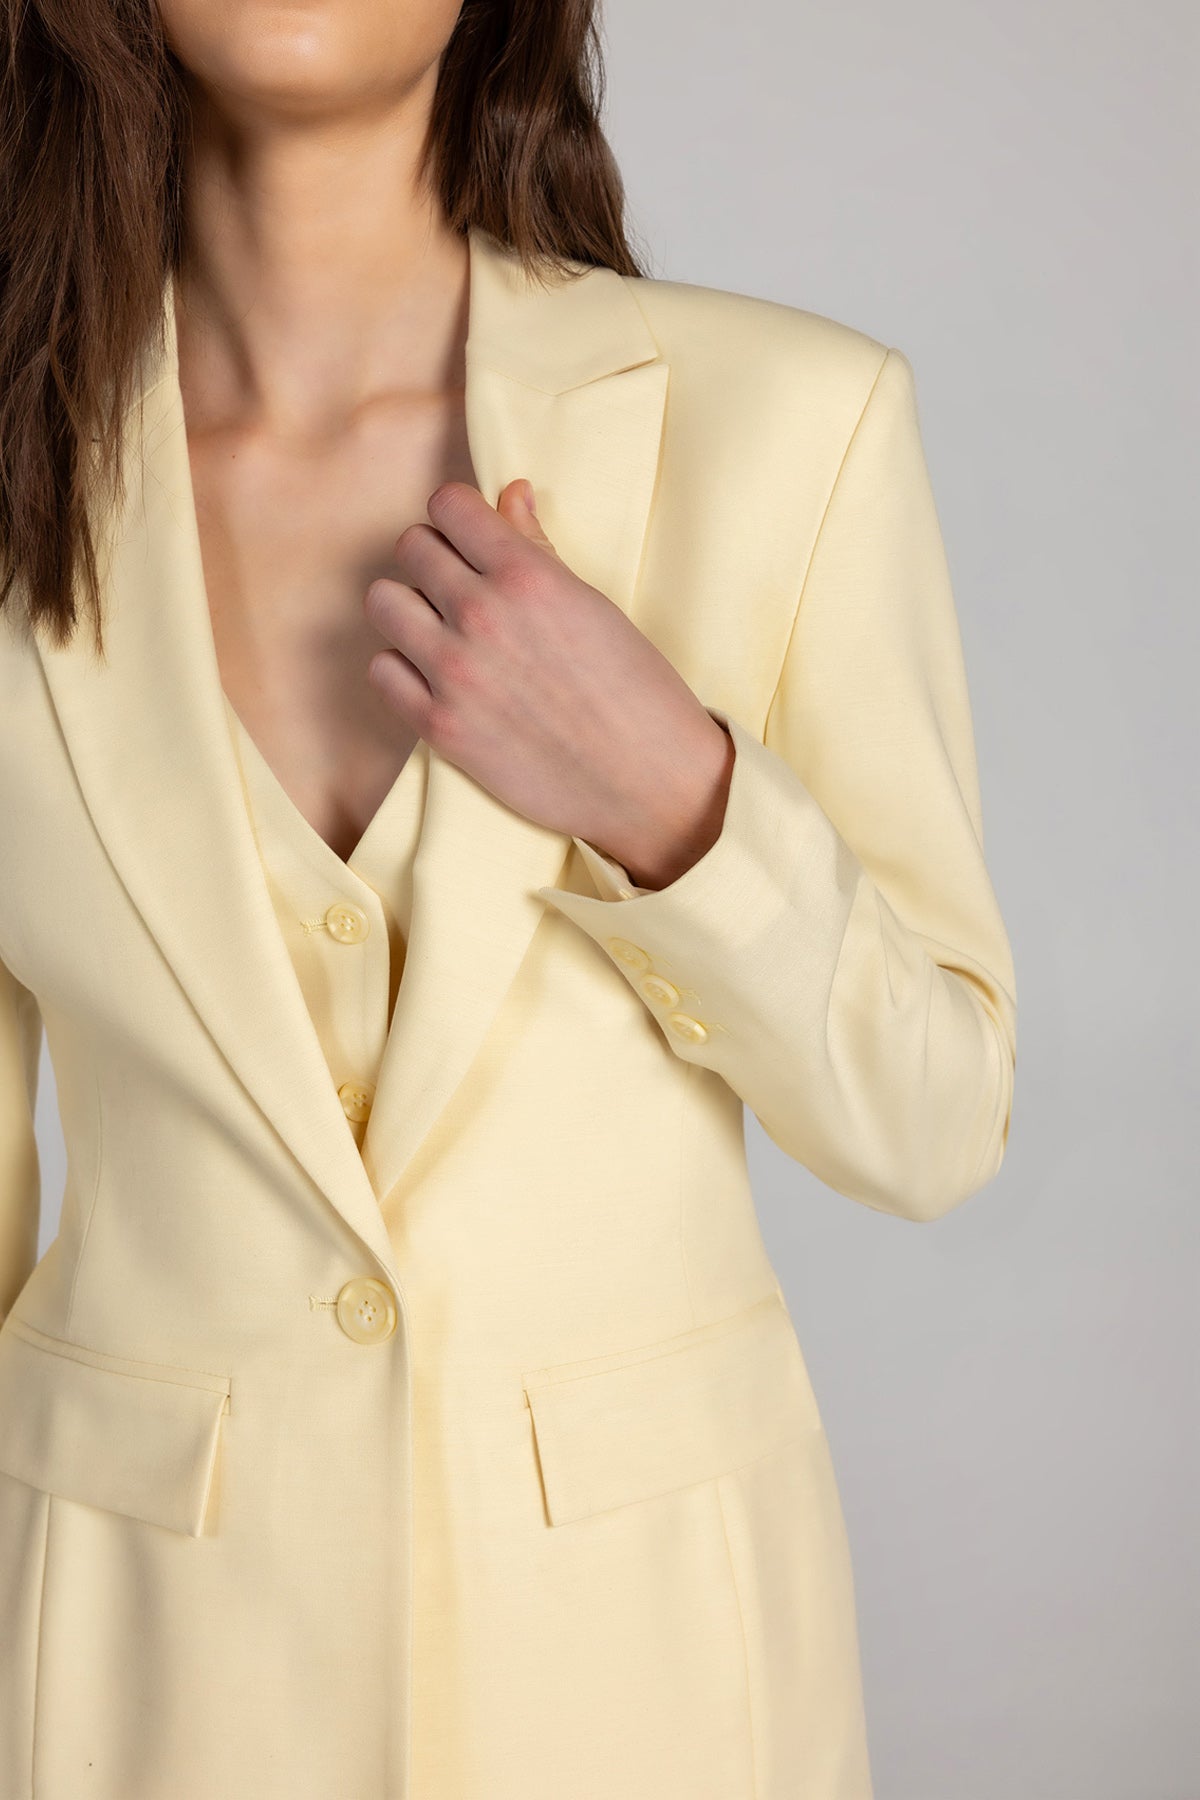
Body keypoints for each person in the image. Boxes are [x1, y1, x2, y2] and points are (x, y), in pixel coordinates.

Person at [0, 2, 1017, 1797]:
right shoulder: (23, 469)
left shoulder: (793, 423)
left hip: (644, 1682)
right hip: (138, 1683)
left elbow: (936, 1120)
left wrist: (677, 799)